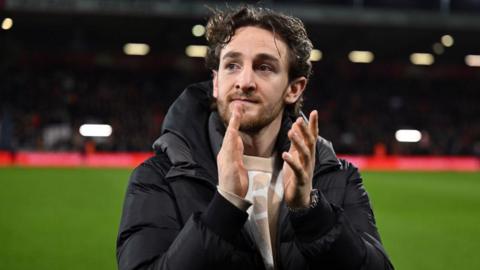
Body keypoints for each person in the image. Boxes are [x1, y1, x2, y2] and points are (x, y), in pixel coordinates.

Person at [116, 6, 394, 270]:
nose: (245, 81)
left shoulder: (337, 177)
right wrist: (224, 206)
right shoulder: (158, 178)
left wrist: (311, 212)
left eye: (264, 67)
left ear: (294, 89)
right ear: (215, 82)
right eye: (232, 65)